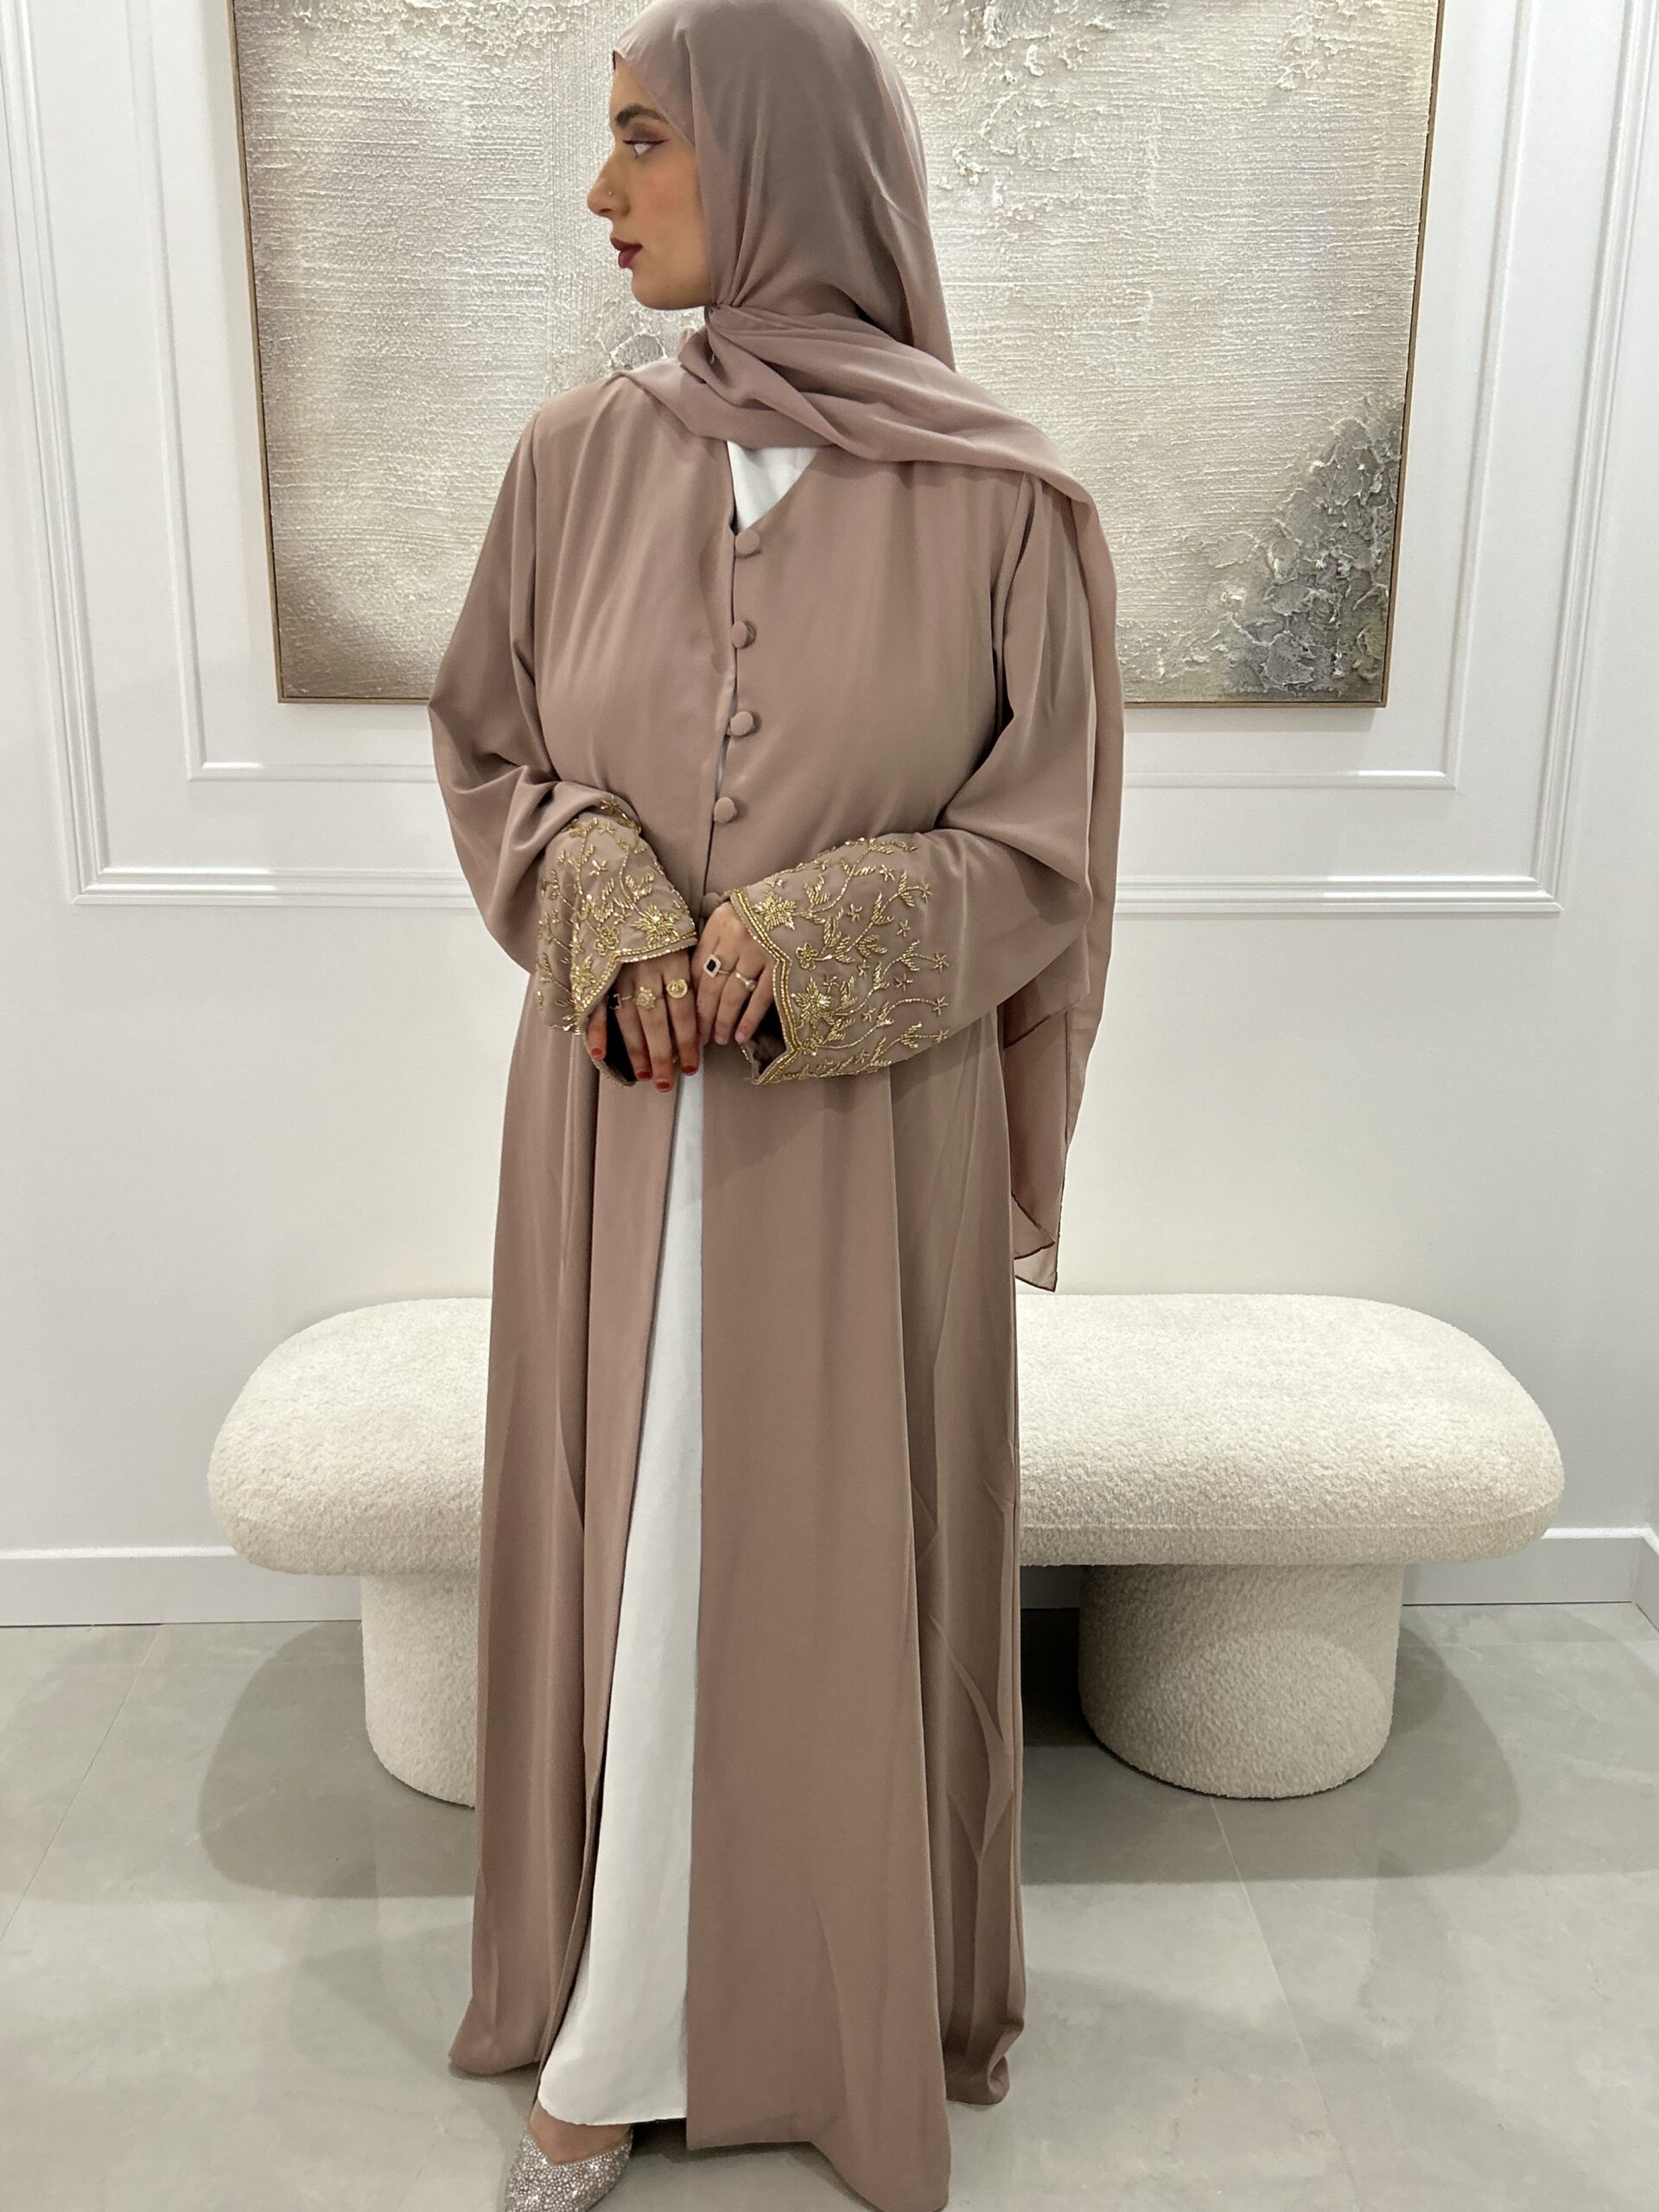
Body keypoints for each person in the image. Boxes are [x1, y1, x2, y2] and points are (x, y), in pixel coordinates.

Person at [427, 3, 1126, 2209]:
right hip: (619, 1126)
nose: (604, 191)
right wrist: (609, 893)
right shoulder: (573, 463)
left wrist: (818, 928)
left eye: (647, 139)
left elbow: (1044, 843)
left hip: (857, 1140)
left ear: (785, 161)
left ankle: (818, 2013)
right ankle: (617, 2018)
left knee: (813, 1557)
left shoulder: (1002, 501)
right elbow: (488, 747)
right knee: (643, 1540)